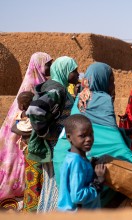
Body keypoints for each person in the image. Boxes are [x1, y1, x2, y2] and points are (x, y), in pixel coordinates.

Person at [53, 62, 132, 207]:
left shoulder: (81, 96)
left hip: (62, 156)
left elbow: (102, 132)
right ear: (101, 80)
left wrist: (129, 130)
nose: (112, 86)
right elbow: (113, 141)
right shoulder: (103, 99)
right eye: (111, 81)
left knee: (70, 202)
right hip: (82, 160)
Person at [26, 56, 80, 212]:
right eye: (74, 71)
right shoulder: (57, 89)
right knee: (59, 184)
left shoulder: (59, 87)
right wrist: (48, 132)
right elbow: (35, 110)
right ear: (64, 71)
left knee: (53, 185)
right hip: (55, 146)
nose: (77, 74)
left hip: (58, 145)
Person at [0, 52, 52, 211]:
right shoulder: (33, 84)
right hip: (25, 135)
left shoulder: (41, 82)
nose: (50, 67)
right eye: (48, 64)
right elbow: (25, 114)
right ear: (39, 65)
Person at [57, 114, 105, 211]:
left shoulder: (73, 158)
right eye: (82, 136)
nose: (89, 139)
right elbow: (78, 196)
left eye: (91, 134)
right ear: (69, 137)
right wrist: (98, 182)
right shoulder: (77, 162)